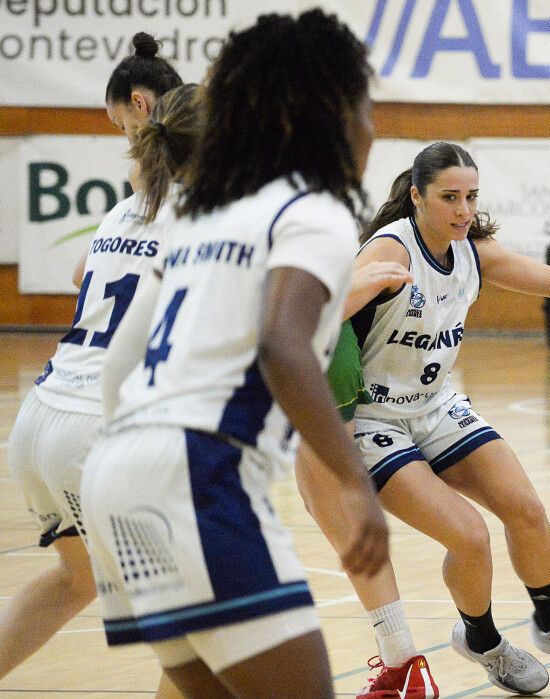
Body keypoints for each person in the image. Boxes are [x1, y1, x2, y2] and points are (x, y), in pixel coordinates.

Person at [78, 11, 389, 698]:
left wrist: (132, 463)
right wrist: (354, 479)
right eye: (368, 107)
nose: (374, 127)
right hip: (200, 471)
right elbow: (282, 342)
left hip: (114, 471)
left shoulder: (202, 211)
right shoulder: (315, 211)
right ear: (330, 114)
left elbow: (117, 368)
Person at [296, 141, 550, 696]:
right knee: (470, 537)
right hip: (377, 421)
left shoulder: (471, 250)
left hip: (437, 406)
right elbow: (322, 307)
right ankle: (486, 643)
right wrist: (365, 286)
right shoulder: (391, 252)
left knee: (527, 511)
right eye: (450, 197)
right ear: (417, 196)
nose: (463, 210)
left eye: (471, 197)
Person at [1, 41, 185, 691]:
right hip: (95, 430)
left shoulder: (124, 206)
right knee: (201, 624)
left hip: (38, 418)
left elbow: (86, 275)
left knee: (76, 579)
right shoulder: (204, 212)